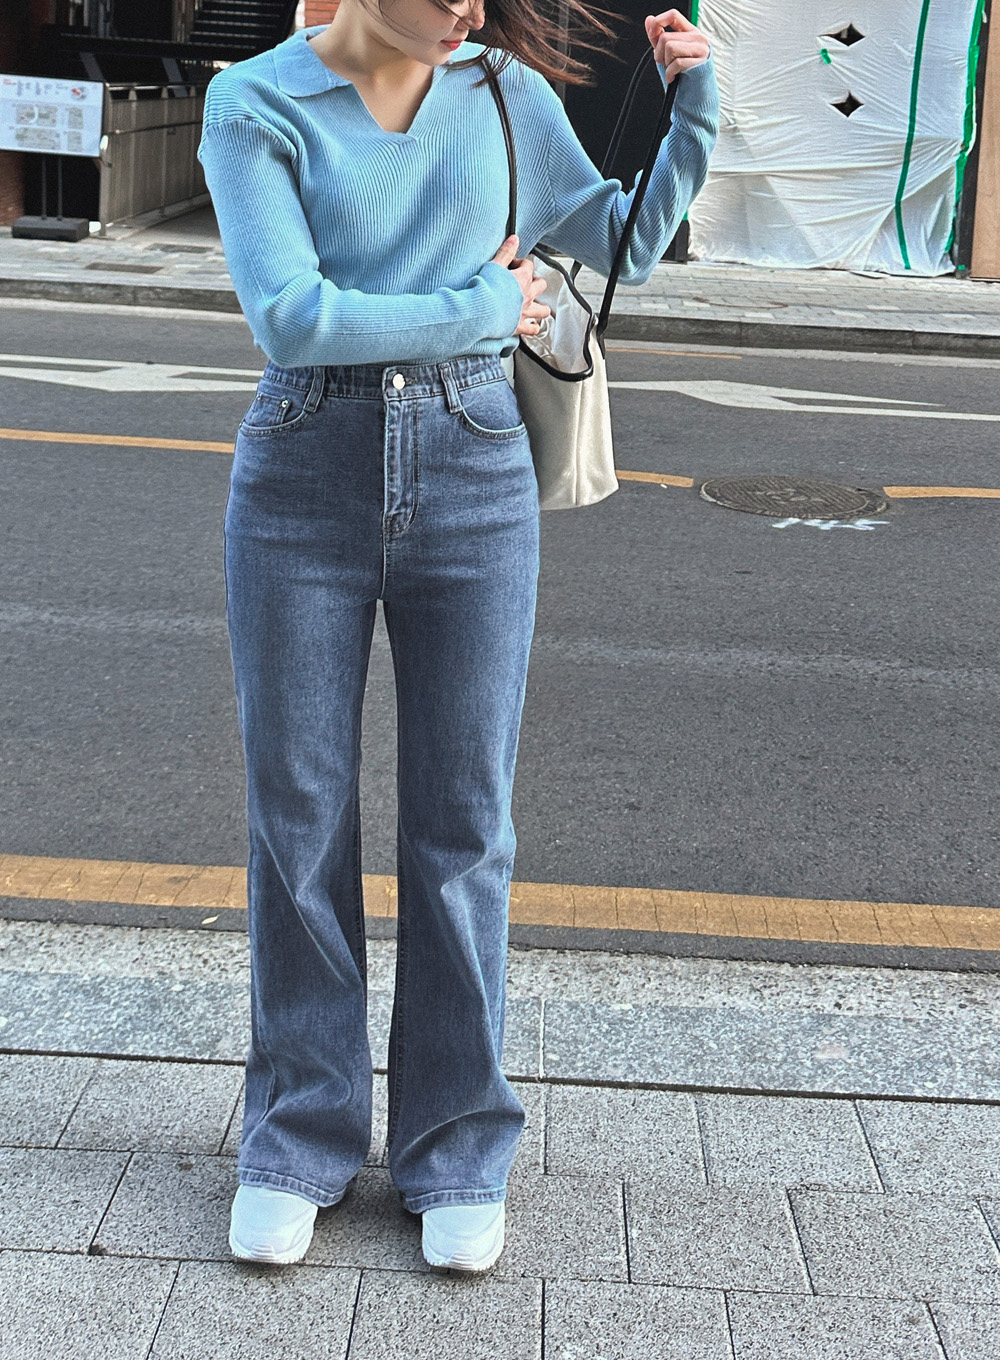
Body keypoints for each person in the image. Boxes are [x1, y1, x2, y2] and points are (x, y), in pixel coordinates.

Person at [197, 0, 716, 1273]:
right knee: (297, 817)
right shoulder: (253, 102)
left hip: (477, 463)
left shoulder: (503, 92)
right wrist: (482, 304)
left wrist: (693, 101)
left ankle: (454, 1144)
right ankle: (298, 1134)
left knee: (464, 825)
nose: (471, 10)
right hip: (303, 466)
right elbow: (294, 318)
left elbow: (623, 243)